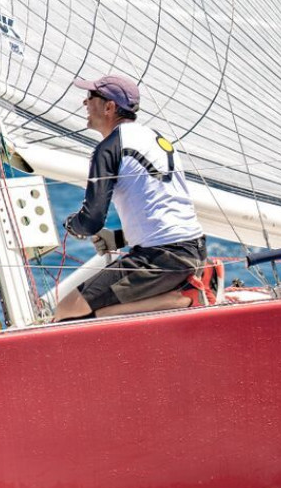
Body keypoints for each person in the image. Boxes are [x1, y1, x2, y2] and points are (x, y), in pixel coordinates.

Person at [51, 74, 209, 321]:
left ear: (109, 107)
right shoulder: (156, 138)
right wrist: (120, 237)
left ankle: (183, 297)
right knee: (86, 310)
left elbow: (91, 221)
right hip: (192, 250)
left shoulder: (109, 148)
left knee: (66, 311)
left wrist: (72, 225)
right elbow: (165, 209)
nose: (84, 103)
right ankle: (179, 294)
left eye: (90, 97)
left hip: (162, 258)